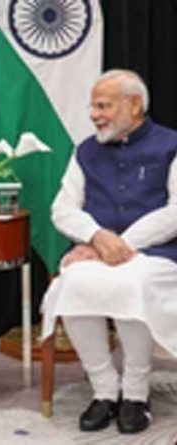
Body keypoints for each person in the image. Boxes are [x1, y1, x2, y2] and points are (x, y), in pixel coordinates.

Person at [41, 69, 177, 434]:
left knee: (131, 283)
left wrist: (123, 244)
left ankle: (135, 394)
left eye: (103, 106)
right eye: (93, 106)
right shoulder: (85, 151)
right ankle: (104, 390)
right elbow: (62, 208)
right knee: (75, 283)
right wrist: (97, 236)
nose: (94, 115)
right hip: (96, 251)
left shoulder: (171, 145)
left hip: (157, 253)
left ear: (134, 105)